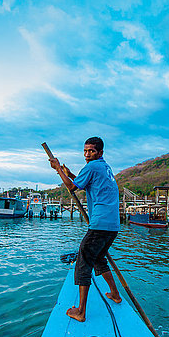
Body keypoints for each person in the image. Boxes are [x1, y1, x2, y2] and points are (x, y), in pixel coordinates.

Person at [49, 137, 122, 322]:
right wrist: (69, 173)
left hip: (100, 224)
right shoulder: (105, 167)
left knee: (83, 262)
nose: (87, 154)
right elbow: (82, 181)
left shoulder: (92, 167)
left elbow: (72, 187)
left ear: (100, 153)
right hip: (112, 225)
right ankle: (115, 293)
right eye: (85, 151)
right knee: (98, 258)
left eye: (91, 151)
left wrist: (58, 169)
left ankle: (80, 311)